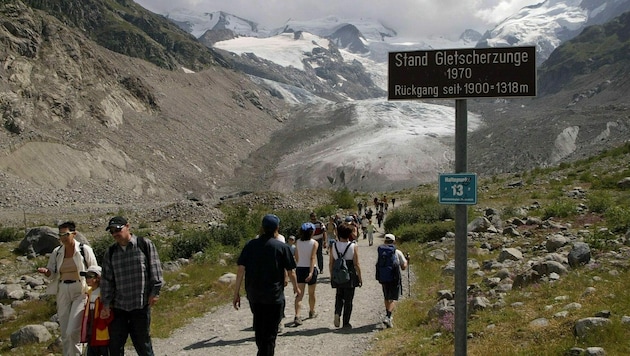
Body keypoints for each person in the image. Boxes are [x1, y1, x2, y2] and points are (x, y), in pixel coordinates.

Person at [233, 214, 300, 356]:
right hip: (274, 296)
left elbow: (240, 270)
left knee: (259, 328)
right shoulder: (282, 247)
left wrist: (236, 293)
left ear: (262, 228)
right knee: (270, 333)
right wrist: (296, 287)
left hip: (254, 295)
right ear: (277, 228)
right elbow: (291, 271)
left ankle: (262, 351)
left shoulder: (250, 245)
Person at [100, 216, 164, 356]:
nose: (115, 233)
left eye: (118, 229)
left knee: (143, 345)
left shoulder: (144, 244)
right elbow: (106, 280)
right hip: (118, 307)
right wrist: (105, 304)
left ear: (127, 226)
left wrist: (155, 292)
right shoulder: (110, 253)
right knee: (115, 346)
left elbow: (155, 269)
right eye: (112, 231)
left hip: (140, 305)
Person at [38, 221, 98, 356]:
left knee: (73, 330)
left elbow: (94, 270)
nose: (63, 238)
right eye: (60, 235)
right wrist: (46, 272)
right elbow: (52, 273)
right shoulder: (57, 252)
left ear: (74, 234)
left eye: (66, 234)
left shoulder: (84, 249)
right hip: (63, 289)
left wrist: (93, 290)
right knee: (65, 332)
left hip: (80, 289)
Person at [329, 222, 362, 329]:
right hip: (350, 273)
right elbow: (356, 264)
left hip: (338, 273)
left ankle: (337, 312)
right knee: (349, 299)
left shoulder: (334, 245)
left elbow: (331, 262)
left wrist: (331, 275)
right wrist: (360, 277)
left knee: (339, 295)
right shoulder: (353, 246)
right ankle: (346, 322)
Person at [80, 265, 113, 356]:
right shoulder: (89, 293)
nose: (87, 279)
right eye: (86, 277)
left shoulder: (103, 293)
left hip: (102, 330)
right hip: (91, 330)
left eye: (90, 276)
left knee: (104, 351)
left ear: (98, 278)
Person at [378, 234, 408, 328]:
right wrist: (407, 261)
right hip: (394, 277)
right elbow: (403, 267)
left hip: (383, 277)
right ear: (394, 241)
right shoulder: (397, 252)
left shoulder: (381, 252)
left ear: (384, 241)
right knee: (394, 298)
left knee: (386, 296)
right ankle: (388, 316)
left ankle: (388, 316)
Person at [293, 222, 319, 326]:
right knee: (311, 293)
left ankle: (297, 315)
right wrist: (311, 272)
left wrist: (299, 264)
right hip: (310, 268)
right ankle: (312, 311)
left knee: (299, 294)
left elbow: (296, 256)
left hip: (300, 268)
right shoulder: (314, 243)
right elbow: (312, 258)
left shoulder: (297, 242)